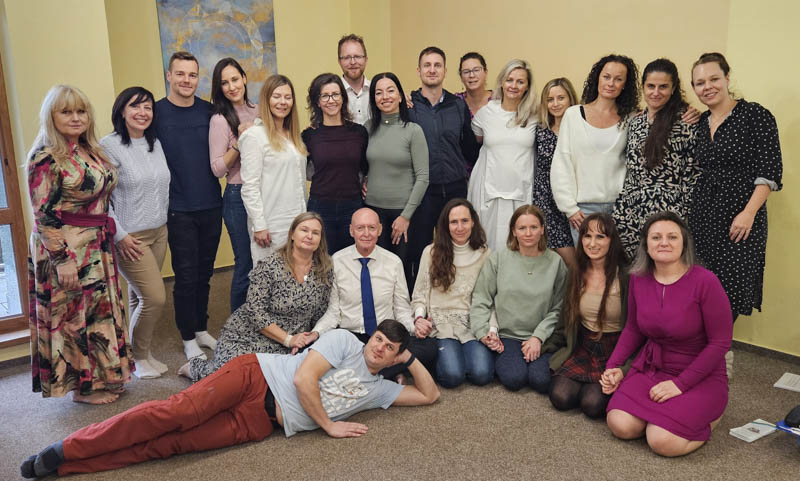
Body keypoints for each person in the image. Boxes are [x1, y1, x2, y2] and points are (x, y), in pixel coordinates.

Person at [20, 321, 440, 478]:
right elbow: (303, 381)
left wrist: (410, 357)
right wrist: (329, 425)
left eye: (390, 349)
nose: (379, 348)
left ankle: (67, 466)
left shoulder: (380, 390)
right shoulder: (345, 341)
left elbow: (429, 395)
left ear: (395, 358)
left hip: (262, 424)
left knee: (172, 445)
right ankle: (68, 447)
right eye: (379, 339)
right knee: (175, 413)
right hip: (255, 378)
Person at [27, 85, 132, 404]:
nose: (76, 118)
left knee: (98, 313)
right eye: (66, 111)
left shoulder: (90, 149)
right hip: (67, 247)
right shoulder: (46, 157)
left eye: (81, 111)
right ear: (51, 117)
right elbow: (43, 215)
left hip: (97, 245)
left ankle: (105, 376)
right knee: (75, 317)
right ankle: (82, 389)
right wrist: (62, 260)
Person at [602, 211, 732, 457]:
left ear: (684, 243)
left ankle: (711, 416)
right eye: (656, 237)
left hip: (698, 373)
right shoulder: (638, 278)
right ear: (646, 244)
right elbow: (633, 328)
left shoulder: (706, 281)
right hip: (652, 367)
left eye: (672, 237)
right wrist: (614, 366)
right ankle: (662, 418)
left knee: (662, 441)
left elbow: (720, 343)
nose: (664, 242)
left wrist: (680, 385)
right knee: (619, 424)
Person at [688, 52, 783, 327]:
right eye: (700, 83)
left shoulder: (755, 115)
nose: (708, 87)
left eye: (714, 79)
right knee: (700, 290)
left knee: (728, 293)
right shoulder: (701, 123)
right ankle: (704, 349)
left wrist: (748, 213)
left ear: (727, 78)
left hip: (740, 219)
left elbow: (769, 172)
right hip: (703, 218)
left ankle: (717, 349)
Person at [181, 212, 333, 381]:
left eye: (315, 233)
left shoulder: (325, 270)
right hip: (250, 335)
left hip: (294, 341)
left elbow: (322, 311)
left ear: (320, 239)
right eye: (304, 230)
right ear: (292, 235)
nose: (309, 236)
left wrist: (310, 338)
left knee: (275, 381)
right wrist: (288, 339)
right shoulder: (270, 265)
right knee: (233, 378)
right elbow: (255, 311)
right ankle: (196, 368)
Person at [312, 208, 438, 381]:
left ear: (379, 230)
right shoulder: (337, 261)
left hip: (386, 337)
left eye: (371, 228)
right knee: (316, 349)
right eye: (360, 228)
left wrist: (415, 327)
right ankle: (387, 372)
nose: (366, 234)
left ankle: (364, 373)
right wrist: (316, 333)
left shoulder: (393, 262)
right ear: (351, 230)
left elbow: (401, 309)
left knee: (429, 347)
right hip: (352, 336)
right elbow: (333, 312)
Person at [155, 51, 221, 361]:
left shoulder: (210, 112)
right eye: (180, 74)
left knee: (205, 273)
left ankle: (200, 328)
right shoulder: (156, 113)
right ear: (169, 75)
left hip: (211, 203)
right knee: (185, 274)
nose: (186, 80)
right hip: (177, 207)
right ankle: (187, 337)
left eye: (192, 75)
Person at [101, 86, 170, 379]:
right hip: (130, 237)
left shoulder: (155, 143)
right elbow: (101, 198)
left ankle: (142, 353)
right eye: (135, 106)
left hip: (159, 232)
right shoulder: (109, 146)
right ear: (122, 110)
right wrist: (120, 235)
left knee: (138, 297)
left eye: (148, 107)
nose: (142, 113)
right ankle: (138, 357)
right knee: (154, 298)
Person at [471, 205, 568, 392]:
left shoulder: (556, 262)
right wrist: (483, 333)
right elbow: (481, 299)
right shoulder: (499, 259)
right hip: (508, 336)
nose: (528, 233)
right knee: (514, 378)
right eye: (522, 228)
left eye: (534, 227)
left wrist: (538, 337)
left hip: (544, 337)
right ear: (513, 231)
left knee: (541, 381)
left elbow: (559, 308)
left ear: (542, 229)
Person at [612, 58, 701, 259]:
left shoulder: (686, 122)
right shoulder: (635, 123)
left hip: (668, 215)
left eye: (663, 87)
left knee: (665, 271)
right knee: (632, 272)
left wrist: (681, 216)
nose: (656, 92)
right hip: (630, 213)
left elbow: (693, 175)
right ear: (643, 87)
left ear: (673, 88)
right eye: (651, 86)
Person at [407, 46, 479, 292]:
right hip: (423, 191)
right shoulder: (408, 106)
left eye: (437, 65)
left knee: (457, 246)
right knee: (420, 249)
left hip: (455, 188)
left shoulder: (457, 105)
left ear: (445, 71)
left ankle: (455, 295)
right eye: (427, 65)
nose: (432, 70)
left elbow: (469, 147)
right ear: (418, 71)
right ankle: (420, 300)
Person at [550, 54, 639, 245]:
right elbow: (561, 164)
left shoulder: (631, 119)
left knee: (618, 263)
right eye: (606, 77)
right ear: (597, 77)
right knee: (588, 263)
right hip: (582, 210)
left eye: (618, 79)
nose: (611, 83)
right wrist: (570, 208)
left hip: (620, 209)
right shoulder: (573, 115)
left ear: (625, 85)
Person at [546, 213, 629, 418]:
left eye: (600, 237)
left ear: (612, 240)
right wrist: (545, 344)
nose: (592, 243)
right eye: (587, 236)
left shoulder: (626, 276)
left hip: (615, 349)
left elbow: (637, 328)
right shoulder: (576, 271)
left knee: (592, 405)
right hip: (583, 345)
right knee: (561, 397)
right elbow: (565, 317)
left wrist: (625, 367)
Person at [411, 198, 494, 388]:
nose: (460, 227)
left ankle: (460, 356)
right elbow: (419, 294)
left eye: (464, 221)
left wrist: (490, 329)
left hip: (472, 324)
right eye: (454, 222)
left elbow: (490, 297)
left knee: (482, 374)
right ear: (446, 225)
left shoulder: (485, 254)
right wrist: (419, 318)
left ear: (473, 222)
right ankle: (443, 359)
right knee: (453, 376)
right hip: (440, 326)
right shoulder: (431, 252)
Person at [364, 72, 429, 291]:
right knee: (376, 272)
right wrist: (362, 181)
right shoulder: (368, 128)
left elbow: (423, 177)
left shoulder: (413, 131)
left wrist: (405, 216)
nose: (385, 97)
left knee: (401, 274)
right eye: (379, 92)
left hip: (403, 215)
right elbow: (362, 165)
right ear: (374, 99)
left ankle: (405, 313)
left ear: (401, 96)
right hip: (373, 213)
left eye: (391, 91)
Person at [467, 59, 538, 250]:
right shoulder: (486, 113)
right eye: (509, 80)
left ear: (527, 86)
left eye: (520, 81)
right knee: (487, 246)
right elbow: (476, 140)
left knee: (520, 246)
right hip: (488, 192)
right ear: (502, 82)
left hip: (521, 191)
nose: (514, 86)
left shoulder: (535, 115)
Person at [239, 74, 308, 264]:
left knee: (296, 274)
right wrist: (259, 225)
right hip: (271, 225)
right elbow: (250, 186)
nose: (283, 102)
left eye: (288, 97)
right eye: (276, 96)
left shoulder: (293, 137)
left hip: (297, 220)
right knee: (271, 277)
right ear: (266, 99)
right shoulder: (254, 136)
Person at [209, 57, 258, 312]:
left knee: (265, 261)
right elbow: (217, 168)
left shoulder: (260, 110)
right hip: (237, 195)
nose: (232, 87)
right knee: (245, 263)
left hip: (262, 193)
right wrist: (239, 142)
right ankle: (238, 326)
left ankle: (264, 322)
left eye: (235, 79)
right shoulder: (220, 119)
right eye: (224, 83)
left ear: (244, 78)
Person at [302, 73, 368, 254]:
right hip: (320, 207)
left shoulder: (359, 133)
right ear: (317, 101)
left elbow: (365, 167)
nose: (331, 100)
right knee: (322, 261)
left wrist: (367, 182)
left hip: (352, 205)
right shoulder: (309, 135)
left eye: (335, 94)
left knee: (352, 260)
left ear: (343, 98)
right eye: (325, 96)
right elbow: (302, 171)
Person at [532, 78, 579, 267]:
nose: (555, 104)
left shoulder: (579, 129)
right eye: (550, 99)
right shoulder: (540, 131)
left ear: (570, 99)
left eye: (561, 98)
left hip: (572, 201)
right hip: (545, 202)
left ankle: (577, 287)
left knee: (576, 260)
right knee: (549, 261)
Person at [338, 33, 371, 125]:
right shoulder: (331, 95)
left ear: (366, 59)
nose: (353, 62)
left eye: (357, 56)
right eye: (347, 57)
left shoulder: (378, 91)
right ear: (339, 62)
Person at [455, 52, 492, 118]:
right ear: (461, 77)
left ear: (485, 72)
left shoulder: (499, 100)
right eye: (466, 72)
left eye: (476, 70)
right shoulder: (455, 102)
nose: (471, 75)